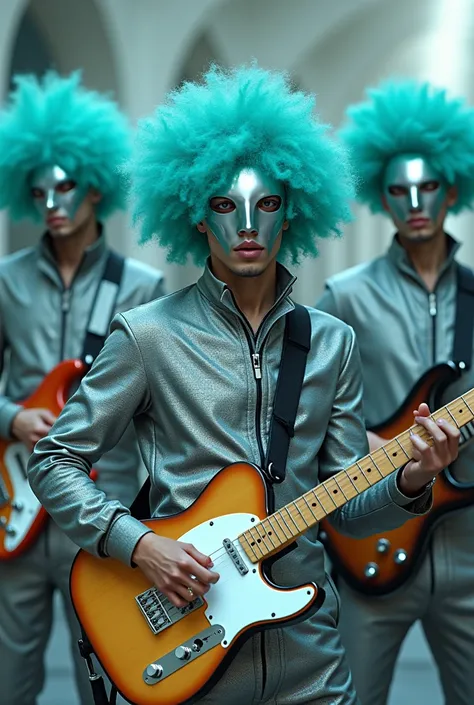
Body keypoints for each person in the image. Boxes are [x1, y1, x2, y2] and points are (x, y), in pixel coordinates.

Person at [28, 66, 459, 705]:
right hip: (187, 651)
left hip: (311, 652)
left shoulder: (332, 343)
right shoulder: (147, 335)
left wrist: (414, 479)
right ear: (197, 215)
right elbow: (54, 458)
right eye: (226, 205)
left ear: (295, 211)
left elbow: (345, 508)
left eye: (268, 204)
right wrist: (139, 543)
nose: (248, 225)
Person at [0, 71, 165, 705]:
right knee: (11, 678)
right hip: (13, 511)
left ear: (95, 185)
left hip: (100, 511)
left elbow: (156, 406)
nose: (52, 202)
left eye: (65, 185)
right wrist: (14, 416)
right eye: (38, 189)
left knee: (107, 676)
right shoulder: (8, 280)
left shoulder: (143, 285)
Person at [316, 79, 474, 705]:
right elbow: (304, 412)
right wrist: (371, 446)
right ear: (379, 196)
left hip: (467, 549)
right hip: (367, 543)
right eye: (399, 190)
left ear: (453, 190)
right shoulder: (346, 296)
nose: (415, 201)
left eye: (428, 186)